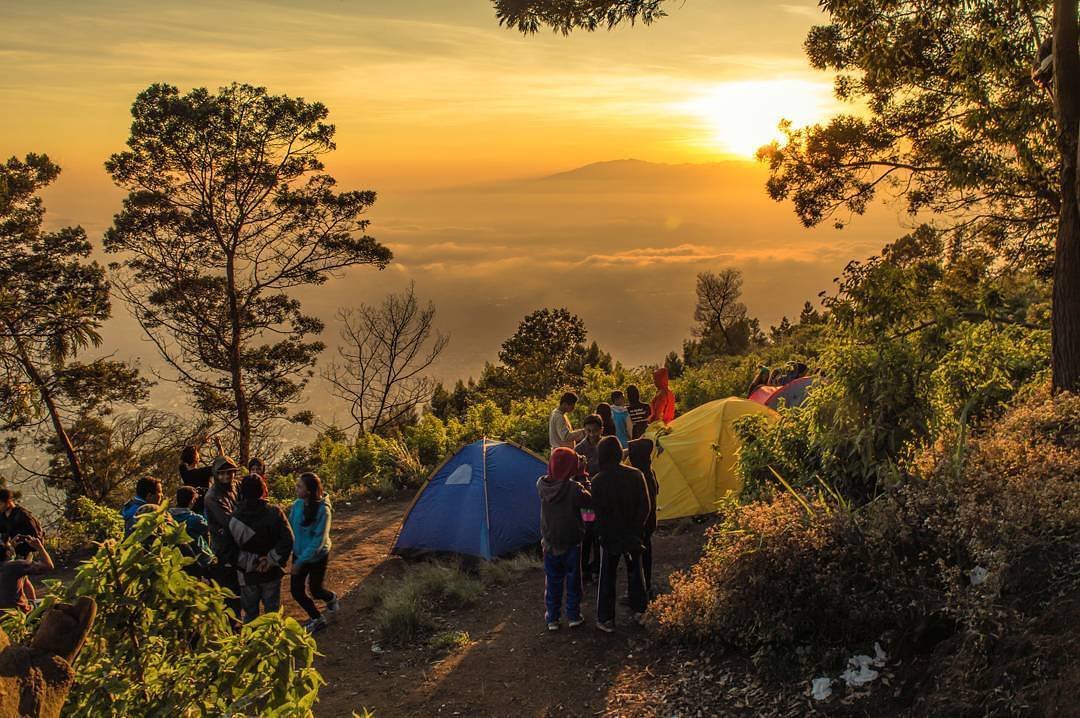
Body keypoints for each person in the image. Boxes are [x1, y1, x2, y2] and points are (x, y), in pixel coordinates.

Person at [590, 436, 650, 632]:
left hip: (609, 536)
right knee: (636, 573)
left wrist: (601, 532)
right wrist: (636, 529)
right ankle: (640, 610)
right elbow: (645, 507)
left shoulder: (597, 481)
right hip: (633, 534)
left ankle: (606, 618)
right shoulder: (636, 475)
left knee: (607, 576)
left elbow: (596, 512)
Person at [537, 447, 592, 631]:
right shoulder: (574, 489)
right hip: (571, 543)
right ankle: (573, 615)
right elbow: (589, 501)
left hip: (549, 542)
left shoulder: (541, 485)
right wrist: (582, 476)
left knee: (553, 581)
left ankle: (552, 617)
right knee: (573, 580)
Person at [227, 473, 293, 623]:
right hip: (271, 573)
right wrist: (270, 559)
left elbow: (229, 549)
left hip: (247, 575)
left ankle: (251, 638)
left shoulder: (234, 518)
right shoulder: (274, 512)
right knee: (273, 615)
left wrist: (252, 562)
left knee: (250, 616)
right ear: (263, 489)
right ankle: (273, 637)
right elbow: (288, 539)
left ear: (241, 492)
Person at [289, 472, 339, 634]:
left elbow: (318, 541)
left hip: (317, 557)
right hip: (299, 553)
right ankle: (317, 618)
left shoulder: (324, 511)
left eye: (299, 486)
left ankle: (330, 598)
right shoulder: (297, 505)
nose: (296, 488)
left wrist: (300, 562)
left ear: (309, 491)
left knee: (316, 590)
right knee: (296, 591)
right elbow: (290, 528)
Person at [204, 455, 243, 621]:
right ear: (216, 474)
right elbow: (228, 521)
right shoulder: (212, 497)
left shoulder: (236, 486)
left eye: (229, 472)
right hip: (224, 549)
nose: (226, 476)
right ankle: (232, 627)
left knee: (240, 591)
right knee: (229, 594)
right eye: (222, 473)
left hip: (237, 545)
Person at [627, 438, 659, 599]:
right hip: (650, 522)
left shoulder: (638, 476)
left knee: (637, 560)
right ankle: (646, 587)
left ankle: (639, 592)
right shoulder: (649, 471)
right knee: (646, 555)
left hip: (640, 525)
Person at [575, 414, 603, 582]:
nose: (592, 434)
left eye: (595, 431)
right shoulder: (579, 449)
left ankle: (598, 568)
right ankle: (584, 569)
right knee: (587, 533)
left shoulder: (606, 445)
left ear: (601, 430)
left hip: (604, 496)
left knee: (600, 534)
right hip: (587, 498)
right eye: (588, 431)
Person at [168, 486, 214, 577]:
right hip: (200, 559)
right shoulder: (195, 519)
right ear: (192, 501)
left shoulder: (168, 516)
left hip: (177, 560)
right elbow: (211, 527)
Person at [0, 537, 53, 612]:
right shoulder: (16, 566)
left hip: (2, 615)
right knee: (52, 601)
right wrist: (39, 546)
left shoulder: (13, 567)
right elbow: (48, 566)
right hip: (18, 612)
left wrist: (9, 548)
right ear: (8, 553)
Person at [179, 436, 222, 514]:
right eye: (197, 453)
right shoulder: (203, 472)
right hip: (204, 507)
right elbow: (221, 464)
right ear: (195, 458)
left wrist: (201, 442)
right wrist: (219, 447)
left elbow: (187, 455)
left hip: (190, 507)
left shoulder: (183, 471)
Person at [0, 490, 44, 559]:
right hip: (10, 554)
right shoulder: (2, 516)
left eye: (0, 504)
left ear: (9, 501)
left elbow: (37, 538)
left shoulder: (23, 515)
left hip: (25, 555)